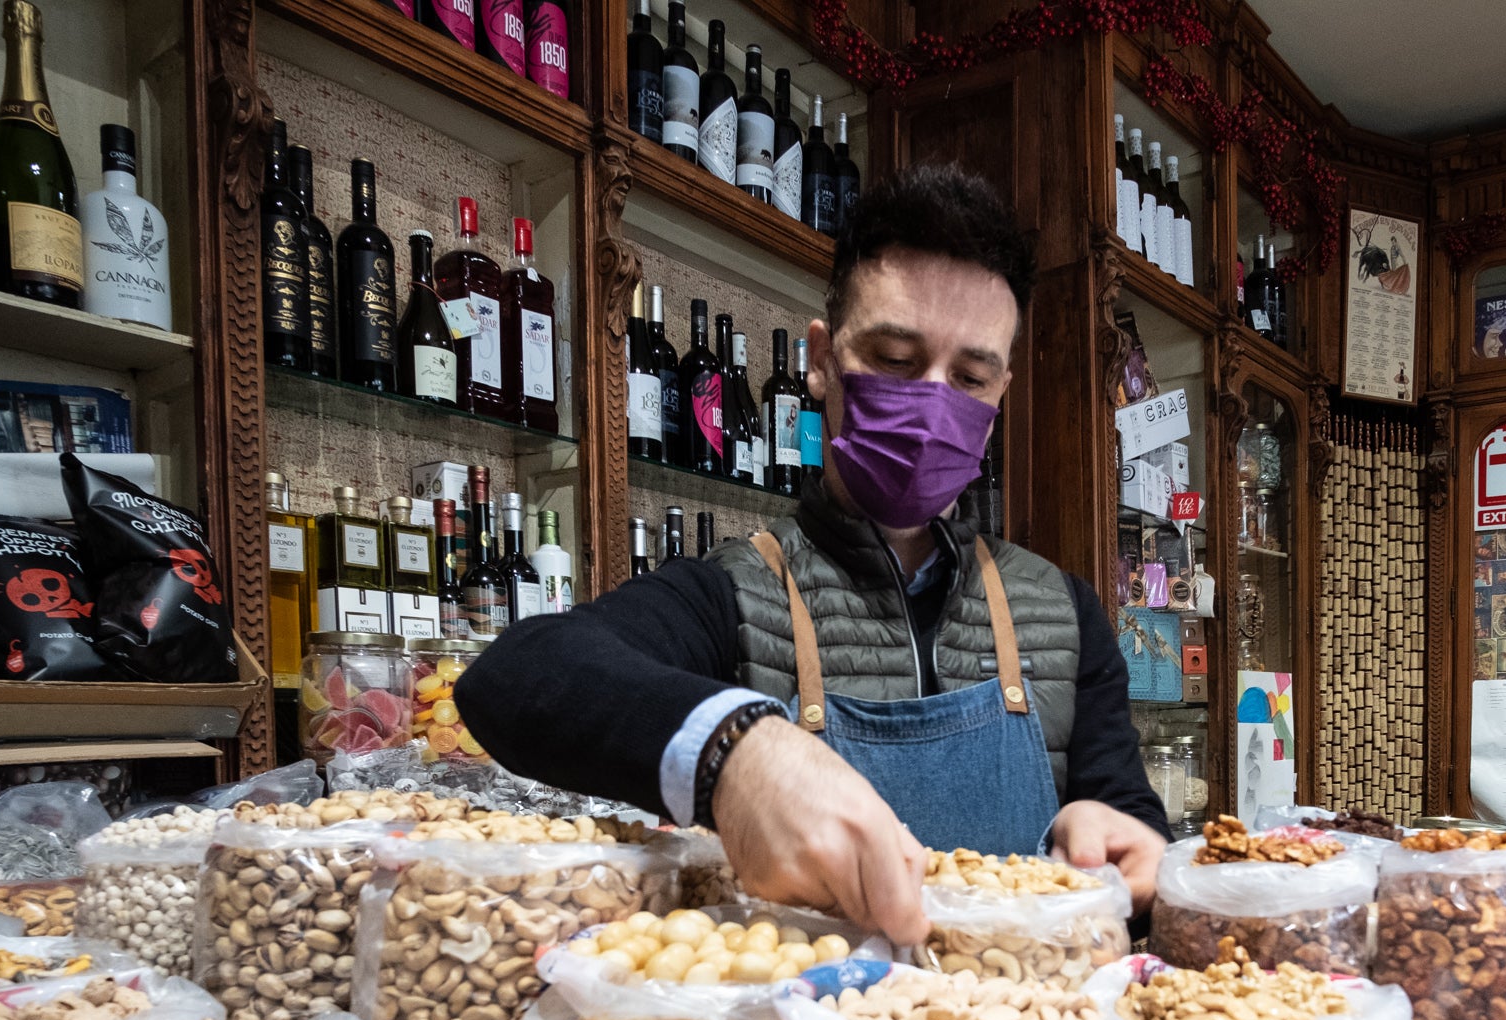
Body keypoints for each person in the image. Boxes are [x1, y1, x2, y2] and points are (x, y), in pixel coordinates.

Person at [457, 162, 1169, 946]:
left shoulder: (1064, 614)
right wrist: (736, 749)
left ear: (999, 401)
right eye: (896, 360)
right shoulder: (733, 594)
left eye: (969, 376)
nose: (932, 402)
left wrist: (1124, 842)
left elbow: (1132, 836)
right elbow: (516, 675)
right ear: (822, 360)